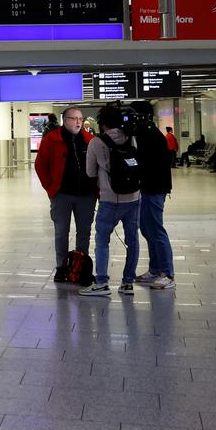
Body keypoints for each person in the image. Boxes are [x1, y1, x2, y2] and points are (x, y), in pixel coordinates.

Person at [83, 104, 141, 296]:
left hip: (110, 199)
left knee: (102, 240)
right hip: (134, 197)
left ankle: (101, 282)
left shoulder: (96, 142)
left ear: (102, 124)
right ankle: (128, 283)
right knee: (132, 240)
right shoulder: (131, 138)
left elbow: (90, 172)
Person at [35, 106, 96, 284]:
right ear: (64, 120)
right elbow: (40, 165)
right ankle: (61, 267)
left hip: (86, 195)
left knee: (84, 232)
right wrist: (50, 187)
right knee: (61, 232)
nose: (78, 122)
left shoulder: (89, 140)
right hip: (61, 195)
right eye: (73, 118)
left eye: (80, 118)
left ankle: (80, 266)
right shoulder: (51, 140)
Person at [130, 103, 175, 289]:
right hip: (147, 188)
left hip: (155, 189)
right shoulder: (143, 134)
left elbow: (144, 162)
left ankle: (167, 273)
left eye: (133, 115)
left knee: (156, 230)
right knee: (147, 229)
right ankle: (155, 269)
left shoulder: (151, 136)